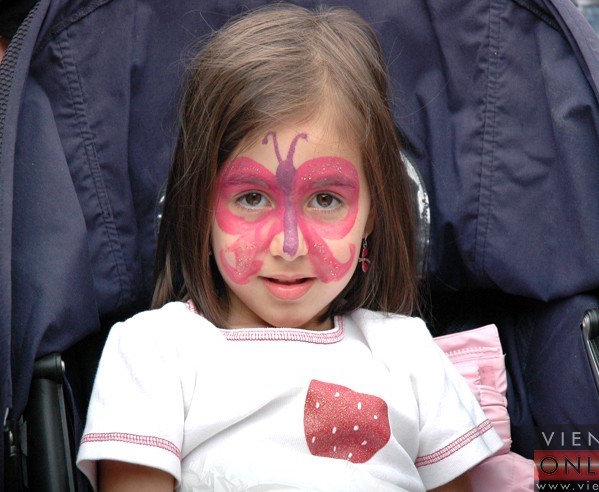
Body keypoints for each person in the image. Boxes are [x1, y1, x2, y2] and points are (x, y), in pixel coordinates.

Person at [75, 4, 503, 491]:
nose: (289, 244)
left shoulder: (409, 355)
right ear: (201, 206)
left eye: (326, 200)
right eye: (252, 198)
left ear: (373, 214)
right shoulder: (154, 351)